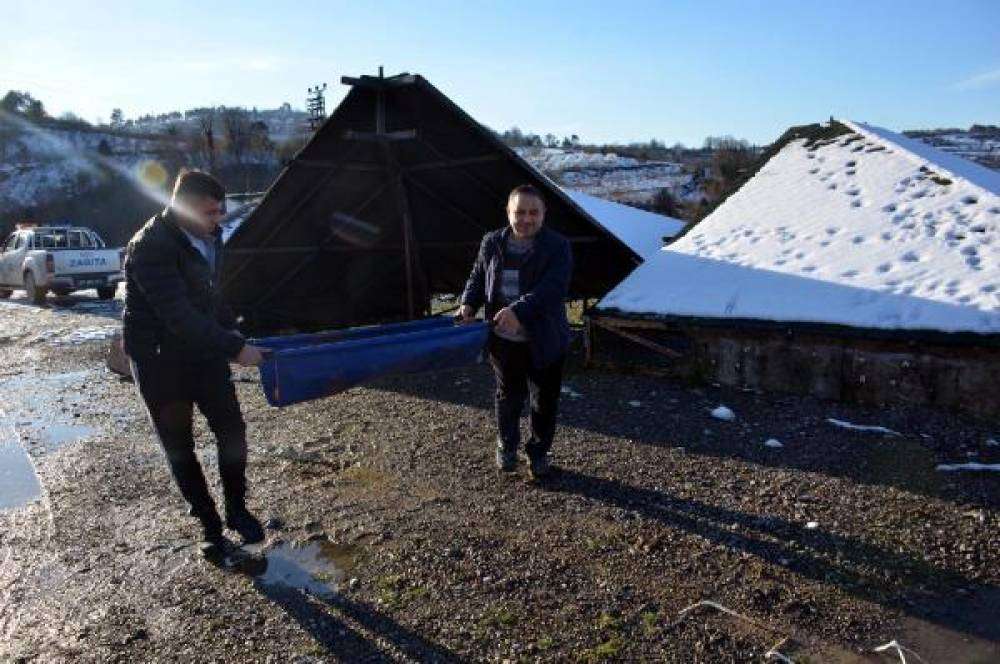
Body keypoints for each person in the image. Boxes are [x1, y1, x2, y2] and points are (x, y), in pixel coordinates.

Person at [123, 169, 266, 559]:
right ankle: (209, 525)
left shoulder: (209, 236)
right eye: (209, 213)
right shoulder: (150, 246)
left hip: (201, 351)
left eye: (221, 212)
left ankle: (237, 509)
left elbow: (210, 296)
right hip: (158, 360)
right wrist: (235, 350)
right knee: (180, 446)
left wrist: (235, 330)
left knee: (232, 429)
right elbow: (178, 316)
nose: (217, 221)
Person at [459, 184, 572, 479]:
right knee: (508, 396)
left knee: (544, 401)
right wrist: (468, 304)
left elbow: (553, 288)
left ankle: (538, 453)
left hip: (545, 338)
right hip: (503, 341)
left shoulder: (558, 246)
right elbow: (477, 276)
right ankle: (506, 446)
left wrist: (518, 311)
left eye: (533, 212)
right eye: (519, 212)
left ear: (544, 213)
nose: (526, 218)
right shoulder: (492, 242)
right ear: (508, 213)